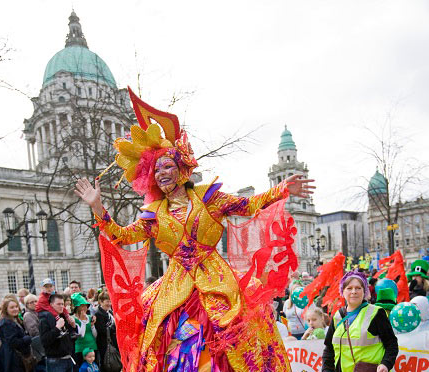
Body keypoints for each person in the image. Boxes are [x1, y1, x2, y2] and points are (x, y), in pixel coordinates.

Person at [75, 91, 314, 371]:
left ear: (182, 169)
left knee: (234, 342)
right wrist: (98, 207)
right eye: (156, 170)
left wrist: (282, 189)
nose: (162, 173)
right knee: (164, 346)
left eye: (168, 166)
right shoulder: (154, 215)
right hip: (174, 288)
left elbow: (247, 205)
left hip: (217, 281)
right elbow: (122, 236)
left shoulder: (208, 198)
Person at [322, 271, 398, 372]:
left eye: (358, 288)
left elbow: (391, 344)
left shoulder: (376, 313)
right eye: (349, 288)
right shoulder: (338, 316)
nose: (354, 291)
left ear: (364, 291)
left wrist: (386, 364)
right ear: (343, 291)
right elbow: (329, 349)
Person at [39, 294, 75, 372]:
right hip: (55, 360)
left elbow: (70, 336)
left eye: (62, 304)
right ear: (51, 305)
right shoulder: (44, 318)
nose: (61, 306)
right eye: (58, 304)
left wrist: (73, 326)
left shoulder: (63, 316)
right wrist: (57, 328)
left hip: (68, 357)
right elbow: (44, 341)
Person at [0, 298, 32, 372]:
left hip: (15, 356)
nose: (15, 309)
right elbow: (13, 342)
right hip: (12, 358)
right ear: (6, 309)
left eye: (16, 306)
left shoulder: (12, 319)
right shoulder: (6, 323)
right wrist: (26, 339)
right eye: (12, 307)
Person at [72, 293, 98, 368]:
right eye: (82, 305)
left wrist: (92, 325)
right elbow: (81, 335)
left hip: (92, 347)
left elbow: (95, 335)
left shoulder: (90, 317)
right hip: (80, 349)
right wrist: (82, 321)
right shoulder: (73, 319)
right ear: (77, 307)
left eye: (86, 305)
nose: (85, 308)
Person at [94, 291, 118, 366]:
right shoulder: (98, 314)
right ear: (101, 302)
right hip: (104, 345)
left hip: (113, 343)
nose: (109, 304)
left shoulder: (110, 312)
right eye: (107, 301)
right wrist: (114, 326)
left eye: (110, 301)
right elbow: (102, 330)